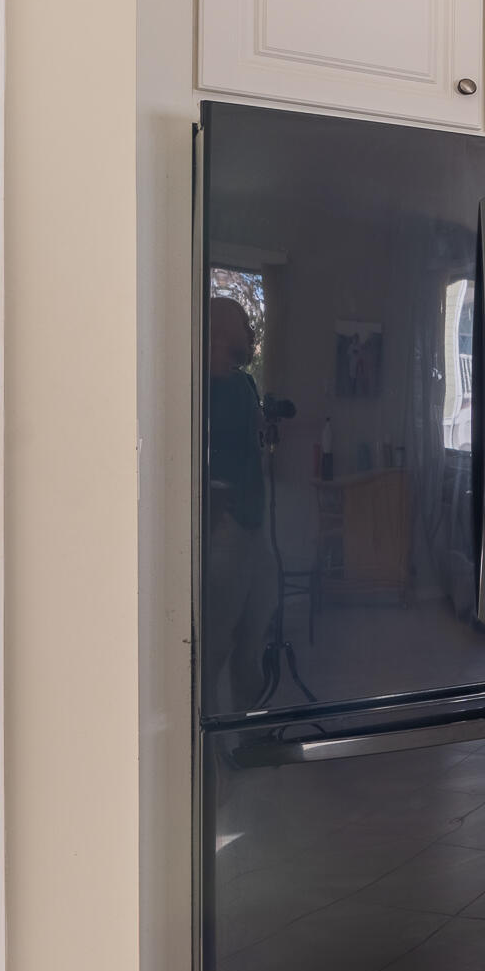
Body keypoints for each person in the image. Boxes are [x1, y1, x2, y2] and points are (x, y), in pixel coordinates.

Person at [202, 297, 277, 705]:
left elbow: (256, 440)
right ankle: (209, 750)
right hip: (226, 528)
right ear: (219, 332)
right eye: (242, 324)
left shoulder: (245, 384)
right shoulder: (198, 386)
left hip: (256, 526)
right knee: (215, 646)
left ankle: (250, 734)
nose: (250, 333)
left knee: (254, 637)